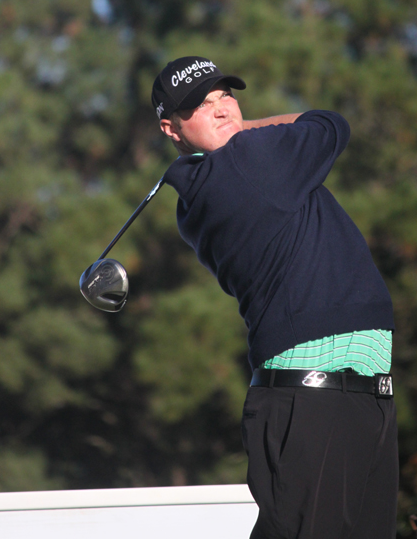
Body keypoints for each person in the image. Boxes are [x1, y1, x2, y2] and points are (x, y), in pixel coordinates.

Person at [152, 55, 398, 539]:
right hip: (313, 403)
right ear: (171, 128)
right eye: (201, 104)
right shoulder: (249, 160)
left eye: (225, 95)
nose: (222, 108)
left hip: (355, 398)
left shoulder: (201, 193)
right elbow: (329, 123)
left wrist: (233, 130)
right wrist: (247, 128)